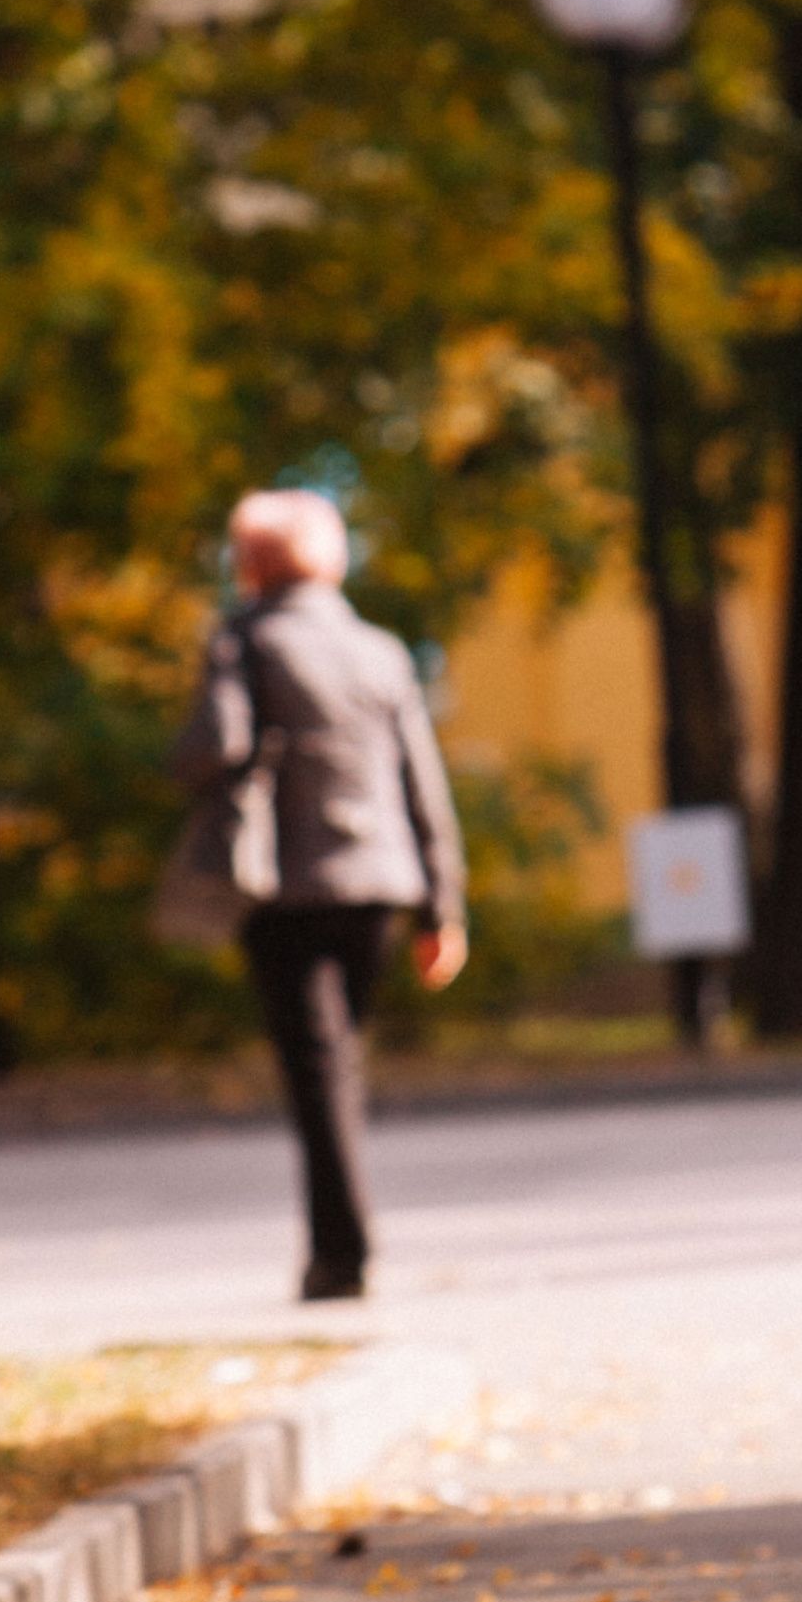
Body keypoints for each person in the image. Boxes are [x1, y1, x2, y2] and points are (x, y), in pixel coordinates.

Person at [172, 489, 468, 1303]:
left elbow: (214, 745)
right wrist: (443, 908)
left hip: (287, 884)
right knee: (341, 1061)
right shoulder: (379, 651)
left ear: (250, 563)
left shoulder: (243, 639)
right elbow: (423, 785)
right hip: (380, 881)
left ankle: (341, 1253)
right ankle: (341, 1246)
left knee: (317, 1069)